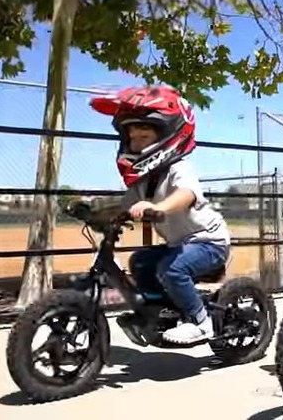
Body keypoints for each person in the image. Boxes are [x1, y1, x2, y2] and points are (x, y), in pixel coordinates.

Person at [89, 84, 231, 345]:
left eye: (143, 138)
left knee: (172, 268)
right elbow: (123, 207)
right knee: (140, 262)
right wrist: (95, 212)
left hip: (209, 243)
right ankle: (161, 312)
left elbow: (186, 194)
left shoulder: (179, 168)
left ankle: (201, 322)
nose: (135, 143)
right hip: (179, 244)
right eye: (132, 139)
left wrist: (159, 208)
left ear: (166, 136)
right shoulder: (142, 181)